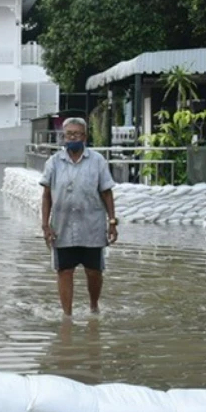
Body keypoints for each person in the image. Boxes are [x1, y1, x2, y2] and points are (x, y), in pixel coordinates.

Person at [40, 117, 118, 316]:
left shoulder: (98, 161)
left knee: (94, 271)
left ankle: (93, 306)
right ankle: (67, 315)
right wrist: (45, 225)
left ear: (85, 136)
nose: (73, 137)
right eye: (69, 134)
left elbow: (107, 192)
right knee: (64, 271)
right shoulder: (54, 162)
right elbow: (47, 194)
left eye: (77, 134)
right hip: (63, 227)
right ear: (63, 137)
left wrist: (112, 222)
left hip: (91, 227)